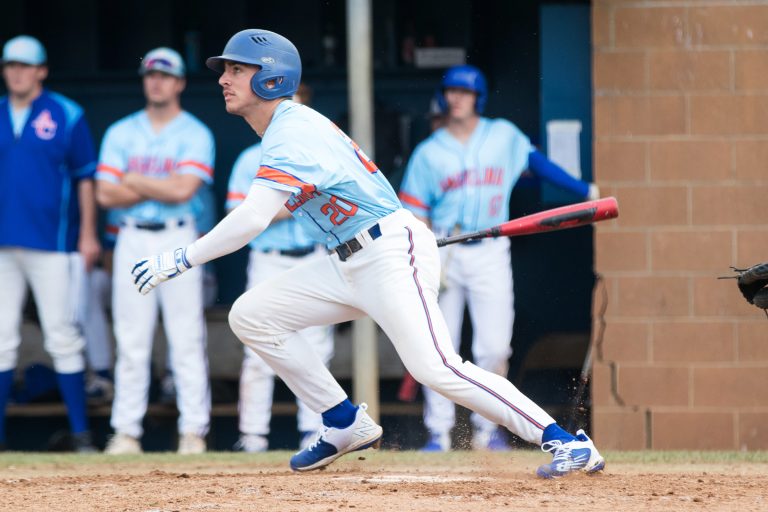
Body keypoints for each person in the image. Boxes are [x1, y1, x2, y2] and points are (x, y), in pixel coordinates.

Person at [130, 29, 604, 478]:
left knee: (436, 367)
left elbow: (252, 219)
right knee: (252, 315)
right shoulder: (281, 131)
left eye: (236, 69)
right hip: (349, 259)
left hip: (389, 250)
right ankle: (342, 421)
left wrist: (182, 258)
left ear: (270, 76)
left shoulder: (292, 131)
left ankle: (564, 440)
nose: (223, 79)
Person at [399, 64, 600, 452]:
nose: (457, 98)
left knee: (493, 348)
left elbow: (539, 166)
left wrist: (583, 189)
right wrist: (422, 253)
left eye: (465, 92)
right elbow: (414, 211)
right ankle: (437, 434)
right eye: (452, 91)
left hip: (490, 250)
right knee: (437, 347)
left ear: (478, 97)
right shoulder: (428, 152)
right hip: (444, 250)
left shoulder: (502, 135)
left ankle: (487, 431)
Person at [95, 47, 214, 455]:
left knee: (186, 338)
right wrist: (154, 184)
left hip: (179, 237)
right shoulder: (121, 131)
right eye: (150, 75)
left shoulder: (196, 132)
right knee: (131, 339)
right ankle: (126, 432)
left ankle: (193, 432)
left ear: (179, 82)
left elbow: (184, 189)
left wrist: (134, 179)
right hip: (132, 237)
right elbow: (105, 194)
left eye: (165, 75)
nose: (157, 81)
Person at [0, 35, 99, 452]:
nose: (16, 72)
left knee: (62, 334)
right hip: (3, 244)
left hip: (53, 243)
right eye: (10, 65)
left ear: (41, 70)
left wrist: (89, 234)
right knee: (1, 338)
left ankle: (81, 435)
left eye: (25, 65)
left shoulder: (66, 113)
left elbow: (85, 178)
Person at [228, 82, 334, 453]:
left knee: (317, 347)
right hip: (268, 258)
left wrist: (279, 206)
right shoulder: (249, 158)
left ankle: (315, 430)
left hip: (311, 255)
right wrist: (291, 203)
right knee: (258, 351)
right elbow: (238, 215)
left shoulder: (316, 154)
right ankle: (253, 436)